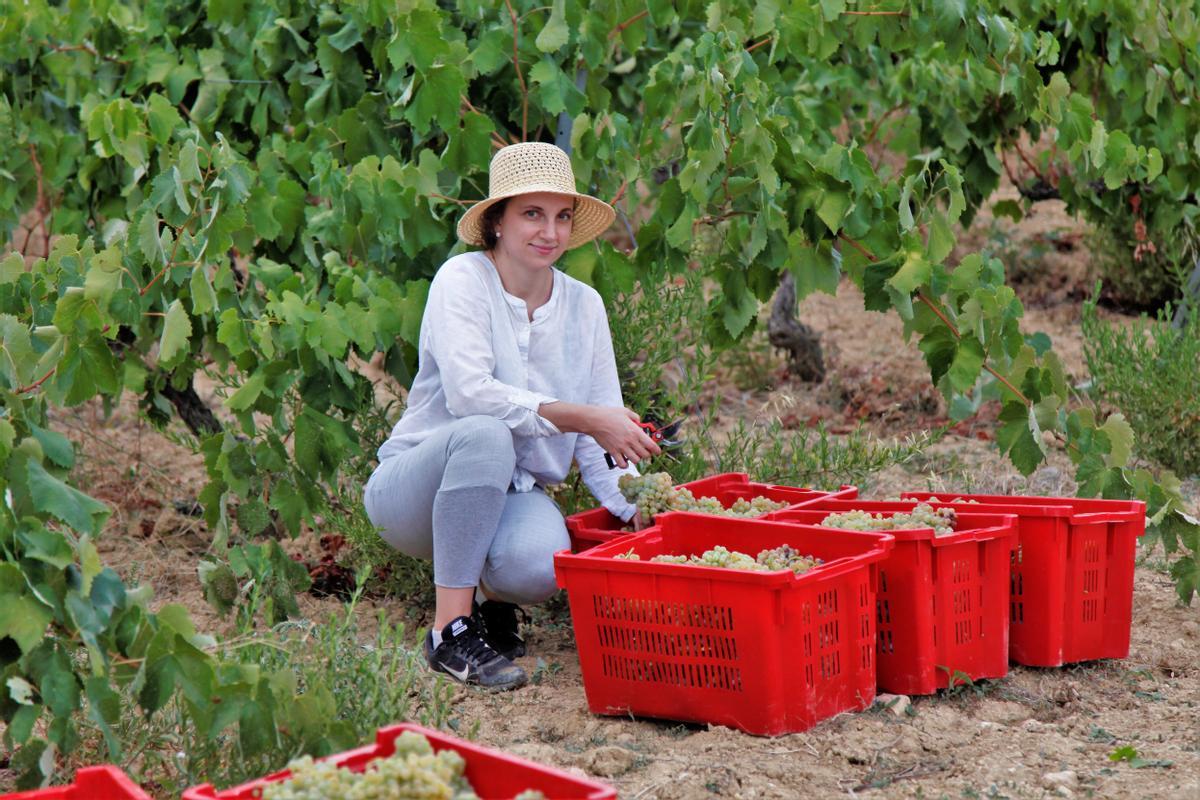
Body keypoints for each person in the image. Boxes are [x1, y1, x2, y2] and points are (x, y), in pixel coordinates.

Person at [363, 142, 661, 690]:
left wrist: (639, 504)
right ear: (497, 222)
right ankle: (449, 631)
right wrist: (587, 418)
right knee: (485, 434)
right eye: (532, 214)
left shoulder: (585, 307)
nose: (550, 231)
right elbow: (472, 395)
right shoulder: (463, 280)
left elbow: (602, 440)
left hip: (508, 495)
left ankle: (489, 601)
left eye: (562, 216)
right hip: (413, 494)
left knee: (540, 564)